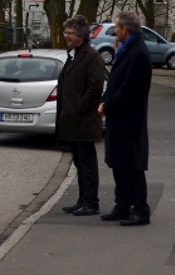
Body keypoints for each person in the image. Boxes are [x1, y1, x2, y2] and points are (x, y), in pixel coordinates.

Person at [99, 11, 153, 225]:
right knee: (119, 164)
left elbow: (130, 89)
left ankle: (140, 209)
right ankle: (122, 205)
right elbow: (114, 81)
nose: (115, 31)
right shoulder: (126, 50)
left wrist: (108, 105)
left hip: (129, 119)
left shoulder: (138, 53)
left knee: (132, 166)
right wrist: (105, 101)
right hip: (118, 117)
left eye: (117, 28)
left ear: (126, 29)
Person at [56, 15, 106, 217]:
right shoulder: (73, 54)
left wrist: (79, 107)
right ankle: (82, 199)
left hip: (84, 119)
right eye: (66, 32)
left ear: (81, 36)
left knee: (87, 163)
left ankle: (91, 202)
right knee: (78, 162)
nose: (66, 36)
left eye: (70, 33)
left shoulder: (92, 57)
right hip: (72, 120)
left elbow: (95, 88)